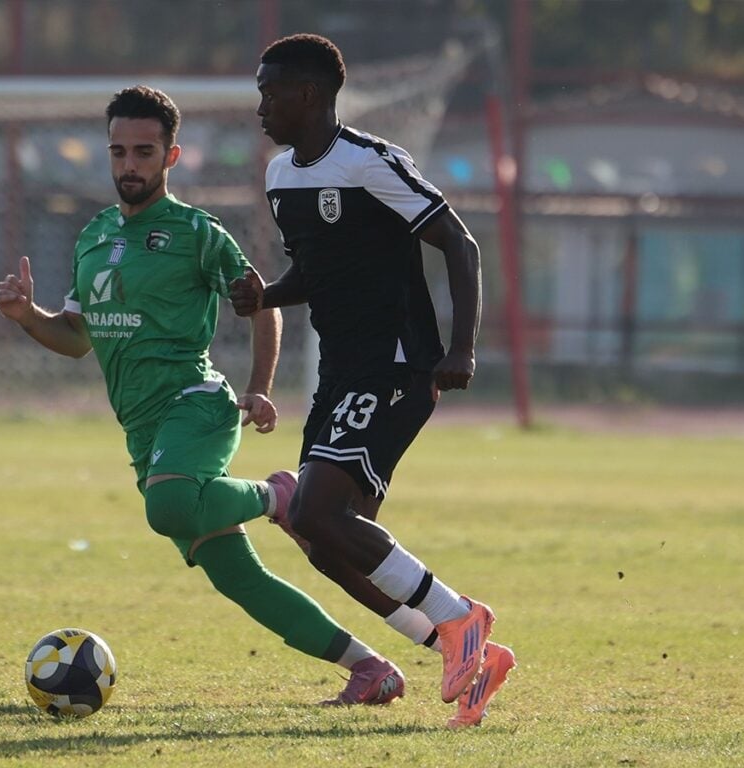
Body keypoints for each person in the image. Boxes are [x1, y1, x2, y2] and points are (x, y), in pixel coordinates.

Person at [0, 85, 404, 706]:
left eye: (144, 151)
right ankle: (369, 668)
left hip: (197, 404)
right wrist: (28, 316)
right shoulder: (94, 235)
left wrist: (259, 388)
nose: (129, 164)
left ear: (171, 156)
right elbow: (76, 339)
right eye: (119, 151)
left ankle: (278, 497)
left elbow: (262, 304)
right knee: (236, 576)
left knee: (167, 508)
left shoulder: (197, 232)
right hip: (145, 431)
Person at [230, 34, 516, 728]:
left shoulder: (369, 162)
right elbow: (317, 272)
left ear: (308, 95)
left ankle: (460, 618)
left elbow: (460, 243)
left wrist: (461, 348)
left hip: (395, 362)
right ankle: (470, 656)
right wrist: (267, 295)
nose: (260, 107)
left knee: (318, 514)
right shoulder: (279, 175)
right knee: (323, 538)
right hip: (341, 369)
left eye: (270, 93)